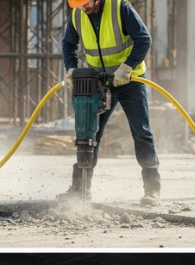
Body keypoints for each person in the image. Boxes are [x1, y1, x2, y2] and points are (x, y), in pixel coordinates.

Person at [61, 0, 161, 207]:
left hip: (130, 80)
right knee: (89, 134)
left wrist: (127, 68)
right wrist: (71, 68)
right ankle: (81, 189)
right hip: (98, 82)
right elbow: (68, 44)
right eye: (78, 5)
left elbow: (144, 39)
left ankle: (152, 189)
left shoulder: (120, 8)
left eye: (85, 4)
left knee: (141, 132)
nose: (83, 8)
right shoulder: (77, 14)